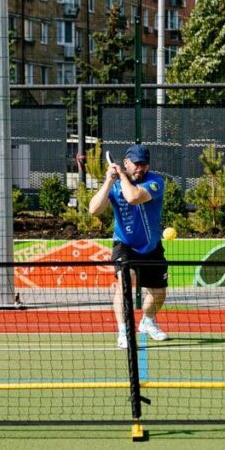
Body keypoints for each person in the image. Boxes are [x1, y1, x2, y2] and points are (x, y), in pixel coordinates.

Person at [88, 143, 170, 348]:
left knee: (159, 292)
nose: (140, 168)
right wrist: (108, 181)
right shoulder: (114, 184)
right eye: (136, 164)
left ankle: (147, 321)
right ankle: (124, 332)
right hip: (124, 244)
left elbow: (133, 197)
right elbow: (93, 210)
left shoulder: (155, 182)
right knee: (126, 281)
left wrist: (123, 176)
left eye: (144, 164)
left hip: (151, 246)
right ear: (126, 162)